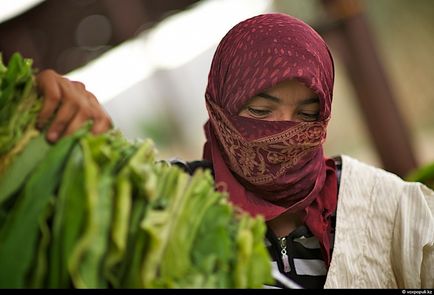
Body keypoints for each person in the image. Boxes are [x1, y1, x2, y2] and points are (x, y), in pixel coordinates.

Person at [34, 13, 433, 289]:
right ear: (220, 107)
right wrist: (47, 107)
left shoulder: (386, 206)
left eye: (307, 114)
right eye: (260, 111)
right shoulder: (164, 201)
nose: (283, 132)